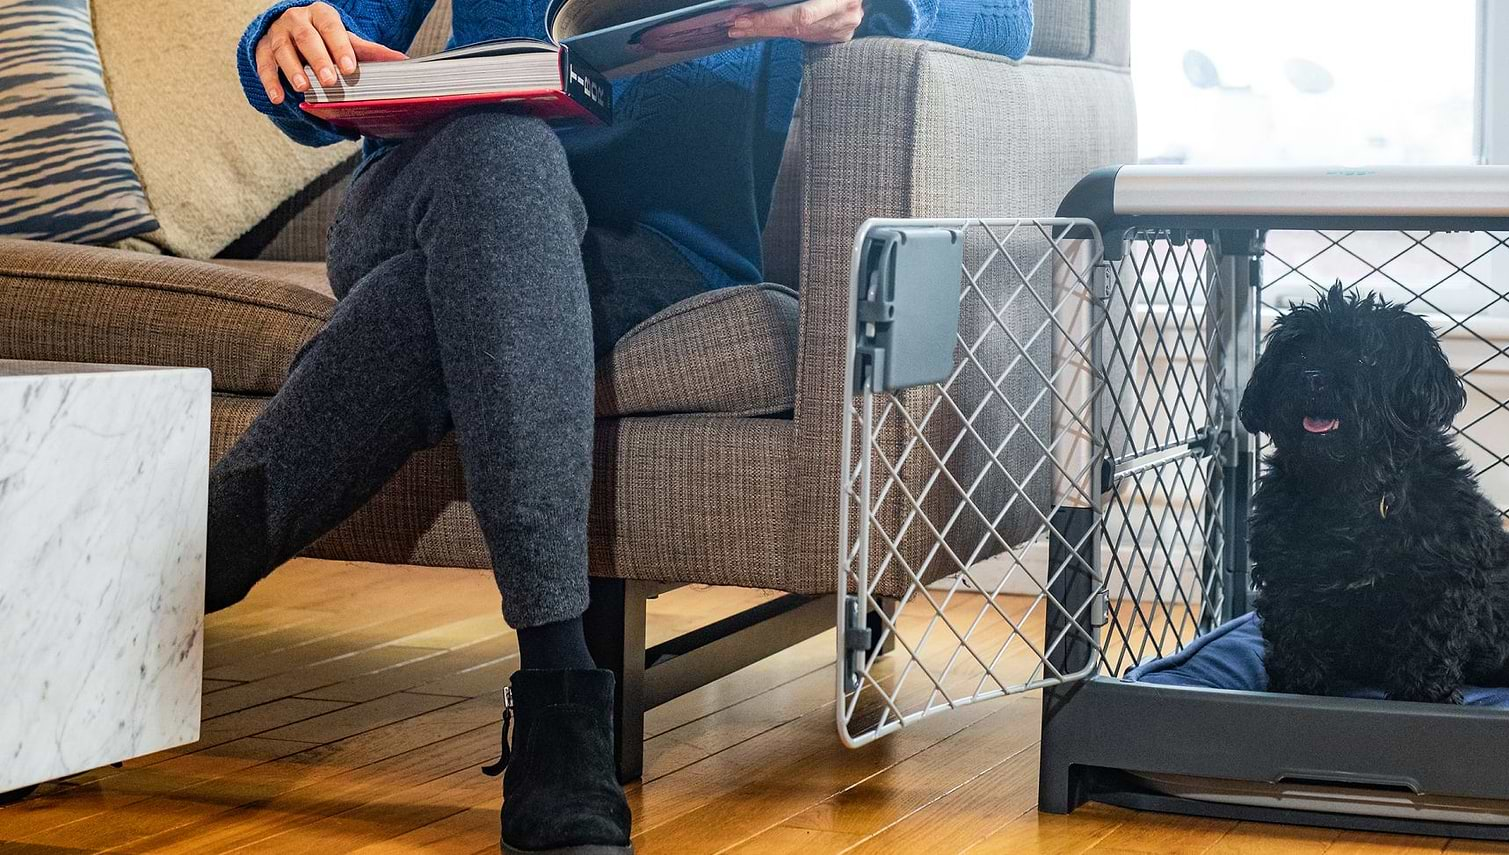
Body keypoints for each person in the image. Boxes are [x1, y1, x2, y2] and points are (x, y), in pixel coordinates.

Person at [215, 0, 1034, 852]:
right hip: (434, 191)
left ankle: (198, 549)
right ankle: (558, 688)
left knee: (435, 305)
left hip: (654, 254)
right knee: (504, 149)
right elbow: (315, 49)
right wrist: (281, 35)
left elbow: (1007, 21)